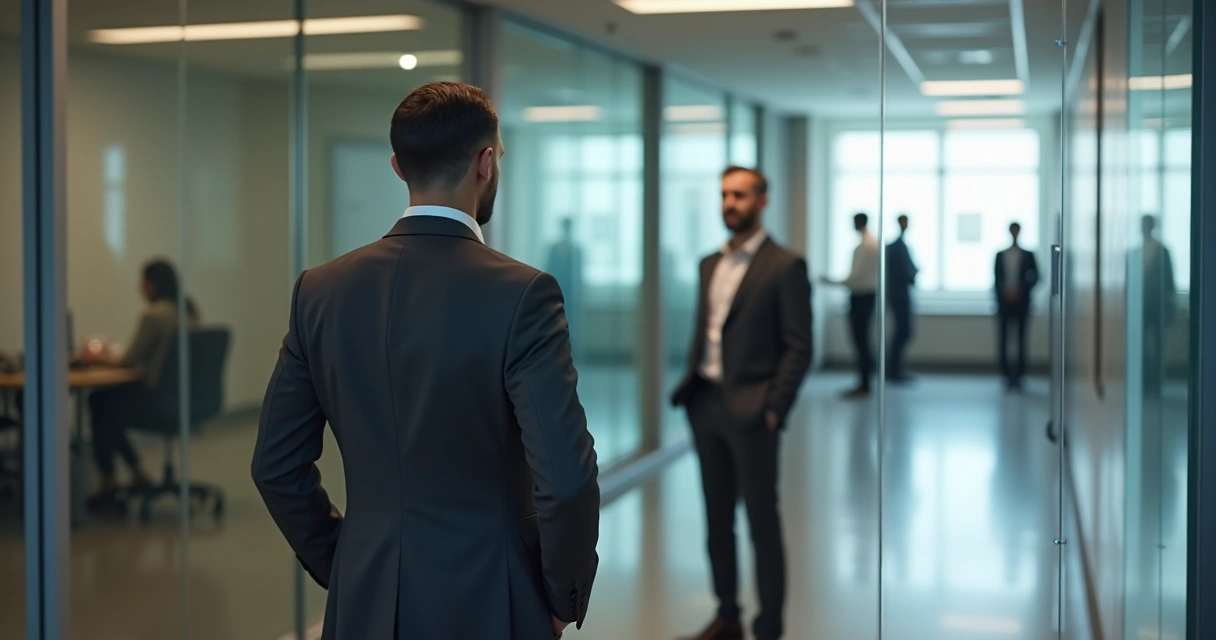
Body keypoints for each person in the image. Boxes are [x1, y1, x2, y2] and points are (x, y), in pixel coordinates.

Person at [251, 82, 600, 640]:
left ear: (397, 166)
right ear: (486, 163)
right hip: (492, 593)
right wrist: (562, 595)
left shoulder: (318, 291)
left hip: (365, 593)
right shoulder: (523, 293)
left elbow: (275, 467)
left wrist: (344, 561)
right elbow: (566, 480)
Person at [670, 166, 812, 640]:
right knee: (716, 521)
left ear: (762, 202)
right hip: (705, 404)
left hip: (753, 413)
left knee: (761, 526)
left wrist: (775, 407)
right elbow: (707, 331)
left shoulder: (785, 265)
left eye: (741, 195)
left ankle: (769, 626)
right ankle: (727, 614)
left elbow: (799, 344)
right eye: (725, 194)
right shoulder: (710, 262)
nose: (730, 203)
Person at [83, 259, 200, 509]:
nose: (140, 287)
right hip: (186, 400)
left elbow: (129, 360)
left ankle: (109, 480)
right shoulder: (187, 311)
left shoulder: (155, 314)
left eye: (142, 282)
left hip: (158, 402)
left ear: (152, 285)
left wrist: (96, 357)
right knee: (110, 405)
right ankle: (136, 472)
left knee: (99, 402)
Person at [821, 213, 880, 398]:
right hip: (865, 295)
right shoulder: (870, 244)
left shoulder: (866, 246)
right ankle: (864, 381)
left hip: (862, 296)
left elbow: (855, 276)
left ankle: (864, 383)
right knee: (862, 341)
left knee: (860, 341)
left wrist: (831, 282)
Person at [994, 222, 1039, 391]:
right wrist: (1005, 293)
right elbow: (996, 279)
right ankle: (1005, 374)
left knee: (1021, 339)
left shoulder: (1028, 255)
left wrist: (1021, 290)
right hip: (1004, 303)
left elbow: (1035, 276)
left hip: (1022, 302)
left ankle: (1019, 375)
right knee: (1004, 339)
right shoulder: (1000, 254)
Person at [885, 214, 918, 382]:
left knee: (903, 332)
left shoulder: (900, 245)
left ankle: (895, 369)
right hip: (898, 295)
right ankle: (893, 370)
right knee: (903, 332)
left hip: (901, 294)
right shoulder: (895, 246)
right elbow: (902, 272)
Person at [546, 217, 584, 341]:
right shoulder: (554, 248)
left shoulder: (576, 249)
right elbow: (548, 267)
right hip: (556, 287)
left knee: (571, 320)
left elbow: (579, 272)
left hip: (570, 292)